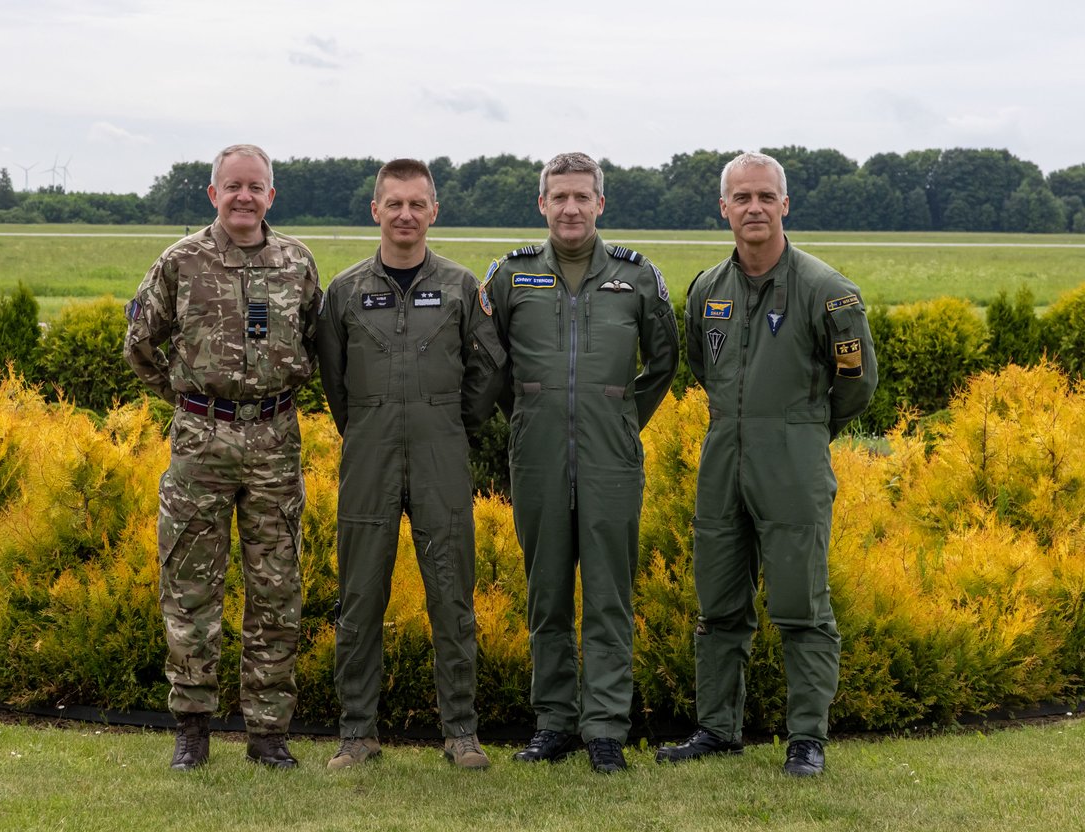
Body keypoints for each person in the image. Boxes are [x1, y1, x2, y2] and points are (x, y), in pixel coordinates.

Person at [656, 151, 877, 776]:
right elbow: (703, 364)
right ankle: (717, 729)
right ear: (724, 208)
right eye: (741, 198)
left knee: (801, 605)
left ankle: (806, 739)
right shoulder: (708, 288)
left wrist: (803, 429)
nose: (754, 208)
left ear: (785, 205)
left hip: (793, 459)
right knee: (718, 603)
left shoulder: (828, 291)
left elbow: (856, 384)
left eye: (765, 197)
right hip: (723, 455)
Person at [124, 144, 321, 771]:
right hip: (201, 444)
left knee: (276, 589)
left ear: (271, 195)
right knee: (189, 587)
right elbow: (140, 343)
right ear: (213, 193)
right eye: (232, 186)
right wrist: (188, 402)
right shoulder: (180, 262)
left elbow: (318, 343)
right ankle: (192, 729)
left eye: (255, 186)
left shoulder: (296, 262)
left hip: (274, 442)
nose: (244, 196)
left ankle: (268, 735)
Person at [484, 152, 680, 773]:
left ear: (601, 203)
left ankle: (604, 729)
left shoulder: (637, 277)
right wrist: (526, 417)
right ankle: (553, 723)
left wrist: (622, 417)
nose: (571, 208)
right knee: (546, 594)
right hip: (538, 455)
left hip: (611, 458)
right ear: (542, 204)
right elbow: (489, 367)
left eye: (582, 197)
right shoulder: (510, 277)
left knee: (608, 595)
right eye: (559, 197)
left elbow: (665, 361)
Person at [316, 159, 506, 770]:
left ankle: (460, 733)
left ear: (433, 212)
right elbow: (333, 380)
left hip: (439, 453)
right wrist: (368, 425)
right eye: (393, 204)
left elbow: (487, 370)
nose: (405, 215)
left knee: (452, 595)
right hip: (367, 453)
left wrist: (451, 425)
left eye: (416, 204)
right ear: (375, 210)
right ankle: (357, 733)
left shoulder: (459, 286)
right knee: (359, 595)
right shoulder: (344, 292)